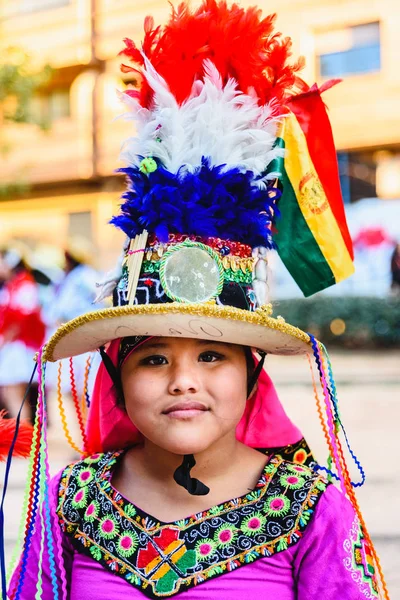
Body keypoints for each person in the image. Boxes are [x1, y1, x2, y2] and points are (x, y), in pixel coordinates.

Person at [4, 2, 388, 599]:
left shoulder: (311, 506)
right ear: (117, 374)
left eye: (213, 356)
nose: (184, 381)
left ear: (252, 372)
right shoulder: (70, 498)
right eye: (154, 358)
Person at [0, 243, 45, 421]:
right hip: (12, 347)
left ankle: (23, 443)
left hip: (18, 347)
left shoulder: (25, 285)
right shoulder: (13, 286)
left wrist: (4, 340)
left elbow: (21, 319)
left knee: (15, 396)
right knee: (10, 395)